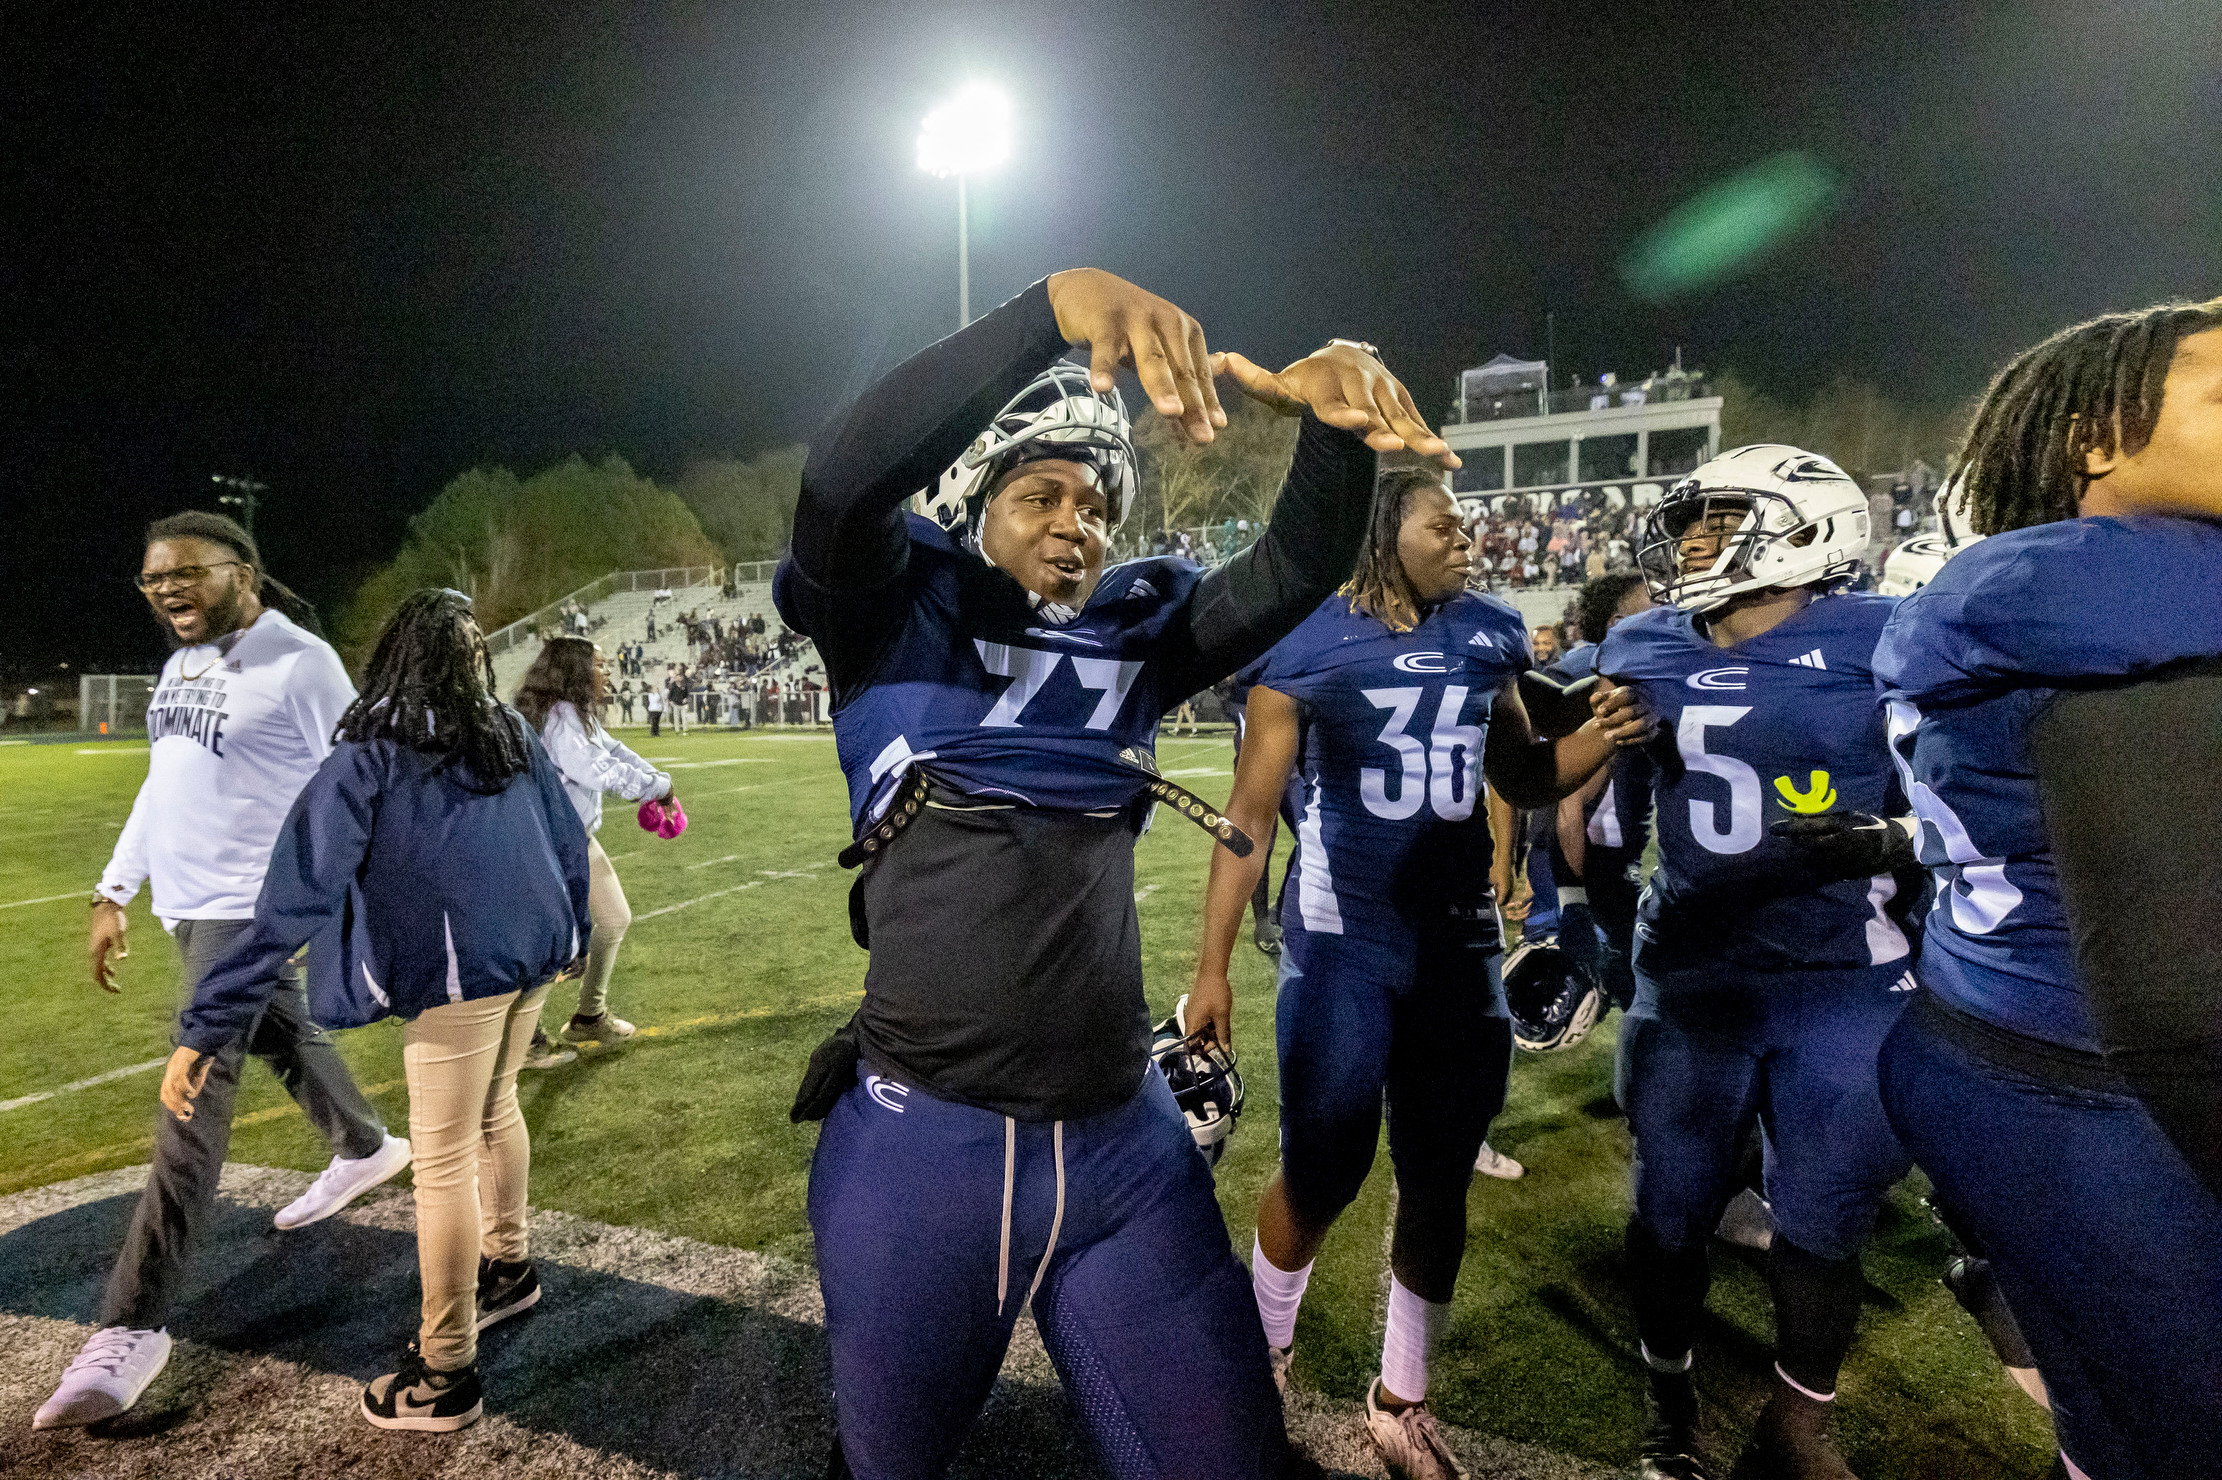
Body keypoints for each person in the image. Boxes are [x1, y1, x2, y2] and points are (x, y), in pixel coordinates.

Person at [774, 266, 1456, 1480]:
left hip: (1124, 1148)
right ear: (968, 502)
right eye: (1040, 491)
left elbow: (1291, 566)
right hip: (925, 1148)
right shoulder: (890, 611)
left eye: (1094, 503)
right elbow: (839, 481)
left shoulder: (1134, 640)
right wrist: (1048, 305)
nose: (1074, 522)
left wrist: (1334, 434)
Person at [1191, 467, 1654, 1479]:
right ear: (1377, 533)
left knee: (1439, 1178)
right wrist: (1210, 966)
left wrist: (1601, 741)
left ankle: (1401, 1399)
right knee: (1323, 1167)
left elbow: (1522, 774)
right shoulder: (1303, 638)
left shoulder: (1486, 629)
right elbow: (1250, 815)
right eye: (1442, 521)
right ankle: (1264, 1346)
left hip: (1455, 949)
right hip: (1342, 945)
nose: (1467, 533)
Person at [1870, 301, 2222, 1480]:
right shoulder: (2058, 582)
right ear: (2088, 435)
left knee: (2115, 1426)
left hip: (2000, 1040)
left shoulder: (2026, 589)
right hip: (2090, 1084)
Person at [157, 588, 591, 1434]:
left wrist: (205, 1028)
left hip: (462, 977)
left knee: (440, 1165)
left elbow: (288, 903)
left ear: (393, 656)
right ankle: (508, 1267)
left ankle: (447, 1370)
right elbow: (569, 839)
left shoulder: (370, 751)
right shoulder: (506, 732)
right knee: (497, 1113)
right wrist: (569, 929)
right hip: (532, 953)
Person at [37, 511, 409, 1432]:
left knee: (188, 1099)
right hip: (188, 907)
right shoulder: (179, 667)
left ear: (243, 571)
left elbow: (357, 783)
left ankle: (132, 1323)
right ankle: (367, 1145)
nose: (167, 591)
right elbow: (164, 782)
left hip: (252, 912)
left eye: (186, 573)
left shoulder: (300, 660)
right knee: (283, 1033)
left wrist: (359, 904)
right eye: (152, 580)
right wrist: (114, 887)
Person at [1599, 445, 1916, 1480]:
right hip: (1694, 974)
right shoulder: (1641, 639)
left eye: (1718, 516)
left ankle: (1797, 1426)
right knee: (1671, 1207)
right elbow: (1543, 767)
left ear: (1807, 527)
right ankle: (1667, 1397)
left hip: (1842, 972)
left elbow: (1967, 786)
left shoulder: (1885, 635)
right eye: (1690, 518)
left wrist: (1895, 838)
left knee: (1824, 1222)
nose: (1692, 539)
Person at [514, 635, 673, 1049]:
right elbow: (596, 769)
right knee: (552, 945)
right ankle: (522, 1042)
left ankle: (589, 1016)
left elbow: (615, 752)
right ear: (576, 671)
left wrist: (658, 782)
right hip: (550, 846)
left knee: (614, 918)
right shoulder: (561, 715)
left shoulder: (576, 713)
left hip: (572, 839)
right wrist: (654, 788)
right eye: (599, 665)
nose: (607, 671)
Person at [1544, 573, 1656, 1021]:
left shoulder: (1601, 665)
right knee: (1640, 979)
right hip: (1584, 852)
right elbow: (1566, 798)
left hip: (1597, 851)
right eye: (1653, 605)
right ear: (1618, 624)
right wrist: (1571, 896)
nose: (1666, 613)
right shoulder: (1597, 675)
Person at [643, 671, 665, 737]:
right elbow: (655, 700)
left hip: (658, 709)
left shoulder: (658, 694)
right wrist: (657, 692)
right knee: (654, 722)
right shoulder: (651, 695)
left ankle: (656, 733)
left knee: (657, 722)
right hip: (653, 709)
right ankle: (653, 733)